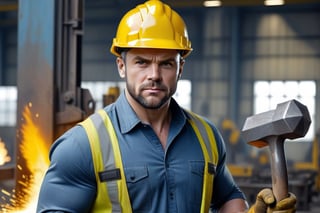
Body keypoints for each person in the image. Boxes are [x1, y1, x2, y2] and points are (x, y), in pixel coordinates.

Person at [36, 0, 297, 212]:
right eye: (141, 62)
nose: (154, 75)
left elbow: (227, 196)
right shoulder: (83, 145)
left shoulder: (206, 136)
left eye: (166, 63)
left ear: (180, 68)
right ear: (121, 66)